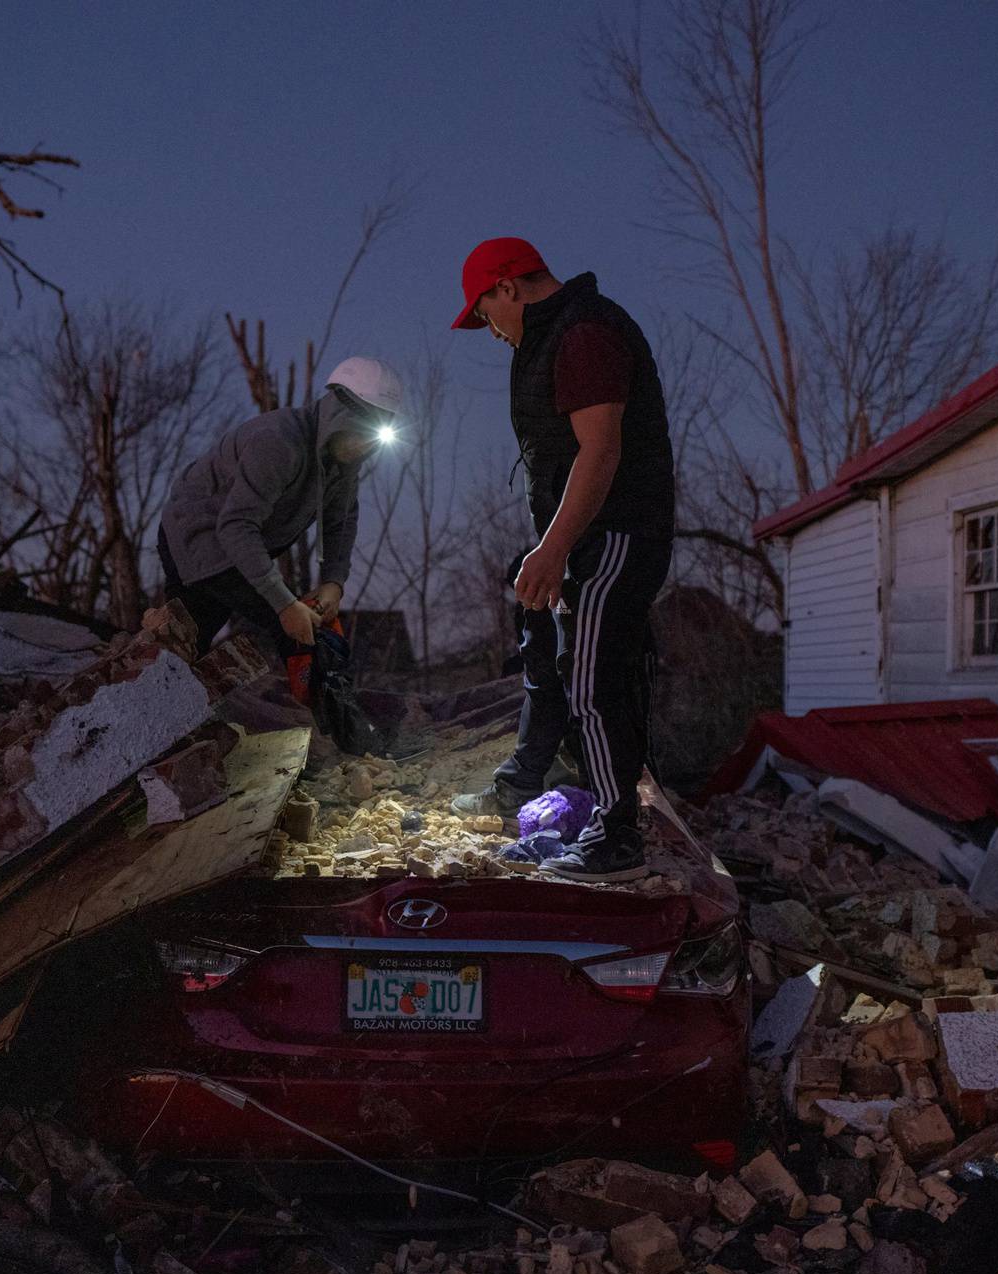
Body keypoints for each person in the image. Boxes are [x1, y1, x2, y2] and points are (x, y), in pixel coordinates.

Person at [448, 238, 675, 884]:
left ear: (508, 287)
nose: (490, 330)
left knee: (595, 674)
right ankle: (527, 781)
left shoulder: (585, 332)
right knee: (546, 653)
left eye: (485, 313)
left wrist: (552, 549)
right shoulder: (550, 338)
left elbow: (600, 452)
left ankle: (615, 837)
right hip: (579, 535)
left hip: (618, 533)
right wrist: (546, 547)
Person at [157, 357, 402, 661]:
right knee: (291, 630)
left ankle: (159, 667)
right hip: (200, 533)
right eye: (361, 434)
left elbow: (340, 522)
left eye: (374, 440)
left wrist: (333, 582)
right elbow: (235, 526)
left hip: (234, 547)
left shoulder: (343, 464)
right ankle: (318, 704)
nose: (365, 448)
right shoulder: (280, 442)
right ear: (340, 415)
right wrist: (284, 605)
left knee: (187, 641)